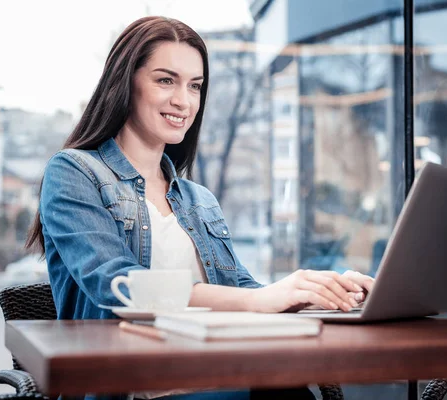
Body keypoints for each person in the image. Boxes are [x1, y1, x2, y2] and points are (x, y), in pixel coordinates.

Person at [26, 16, 374, 400]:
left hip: (220, 378)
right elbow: (117, 284)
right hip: (128, 389)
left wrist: (314, 292)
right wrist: (257, 300)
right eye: (165, 80)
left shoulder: (199, 199)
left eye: (195, 86)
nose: (184, 101)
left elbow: (242, 292)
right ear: (124, 83)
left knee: (286, 387)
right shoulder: (74, 171)